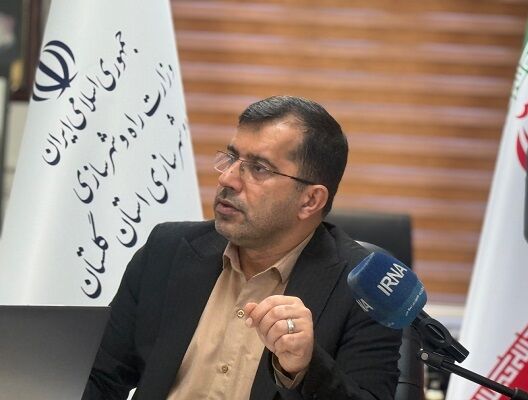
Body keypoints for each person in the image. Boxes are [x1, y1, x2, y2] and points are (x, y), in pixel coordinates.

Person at [83, 96, 403, 400]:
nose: (228, 178)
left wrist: (306, 368)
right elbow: (99, 378)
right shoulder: (167, 251)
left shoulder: (366, 290)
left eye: (259, 168)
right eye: (232, 158)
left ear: (310, 200)